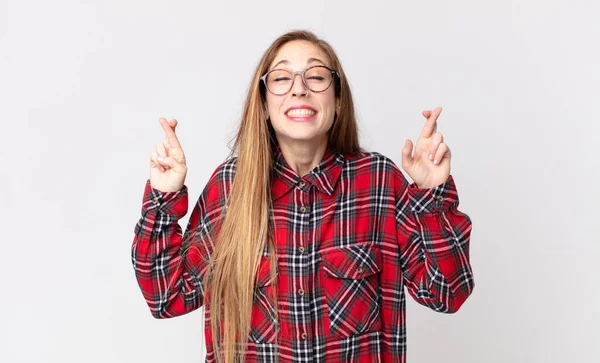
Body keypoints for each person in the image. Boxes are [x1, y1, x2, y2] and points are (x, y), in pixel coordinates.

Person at [131, 30, 475, 363]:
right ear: (264, 104)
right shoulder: (229, 187)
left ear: (337, 100)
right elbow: (166, 296)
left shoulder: (379, 183)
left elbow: (447, 292)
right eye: (282, 78)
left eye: (315, 76)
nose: (299, 89)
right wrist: (163, 197)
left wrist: (432, 196)